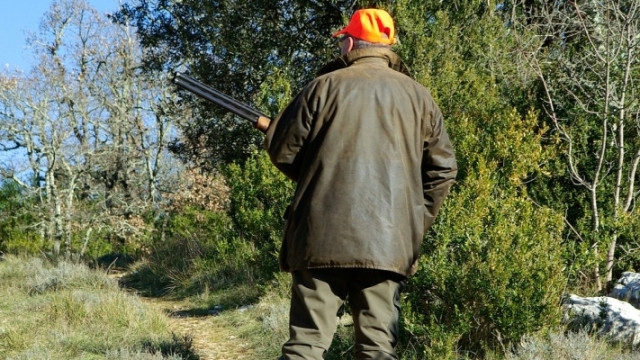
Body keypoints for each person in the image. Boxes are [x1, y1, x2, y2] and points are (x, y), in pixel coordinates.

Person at [264, 8, 458, 360]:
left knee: (305, 346)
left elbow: (283, 150)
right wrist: (413, 220)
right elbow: (443, 171)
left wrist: (319, 179)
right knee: (376, 349)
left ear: (351, 42)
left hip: (320, 237)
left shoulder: (322, 87)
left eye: (342, 41)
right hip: (389, 244)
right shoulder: (420, 97)